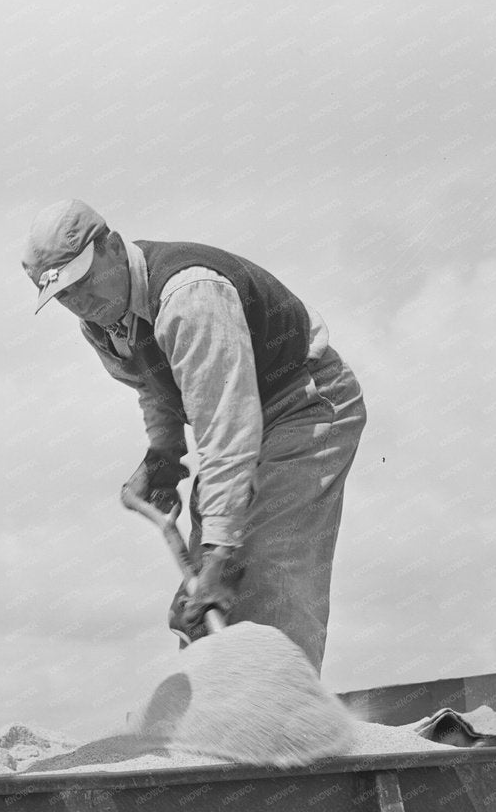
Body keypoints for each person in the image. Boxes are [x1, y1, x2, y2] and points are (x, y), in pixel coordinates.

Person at [21, 199, 364, 671]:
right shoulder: (100, 320)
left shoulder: (190, 297)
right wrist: (163, 454)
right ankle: (218, 713)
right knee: (210, 587)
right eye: (64, 296)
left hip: (303, 404)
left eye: (83, 282)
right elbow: (152, 383)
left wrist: (220, 557)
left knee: (263, 565)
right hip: (240, 418)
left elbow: (226, 434)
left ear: (114, 248)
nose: (80, 303)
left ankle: (280, 725)